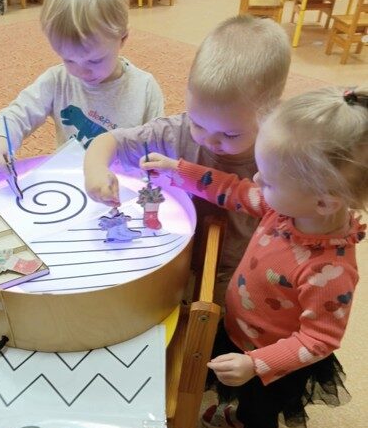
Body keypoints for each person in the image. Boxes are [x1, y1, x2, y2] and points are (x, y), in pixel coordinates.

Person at [140, 86, 368, 428]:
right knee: (240, 392)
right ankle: (239, 412)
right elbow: (233, 190)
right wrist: (178, 170)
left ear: (324, 202)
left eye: (271, 181)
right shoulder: (284, 208)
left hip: (275, 361)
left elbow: (320, 339)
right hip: (240, 330)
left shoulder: (329, 271)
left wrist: (255, 364)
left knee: (261, 412)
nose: (258, 180)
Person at [84, 15, 291, 304]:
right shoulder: (176, 132)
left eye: (230, 134)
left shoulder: (281, 156)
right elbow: (108, 141)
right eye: (198, 123)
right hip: (173, 255)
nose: (209, 140)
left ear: (270, 115)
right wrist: (95, 172)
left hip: (236, 268)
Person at [0, 0, 164, 172]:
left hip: (122, 182)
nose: (81, 72)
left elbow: (158, 146)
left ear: (122, 38)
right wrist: (1, 137)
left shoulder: (145, 88)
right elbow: (19, 113)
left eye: (94, 61)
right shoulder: (57, 80)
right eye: (68, 60)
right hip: (70, 178)